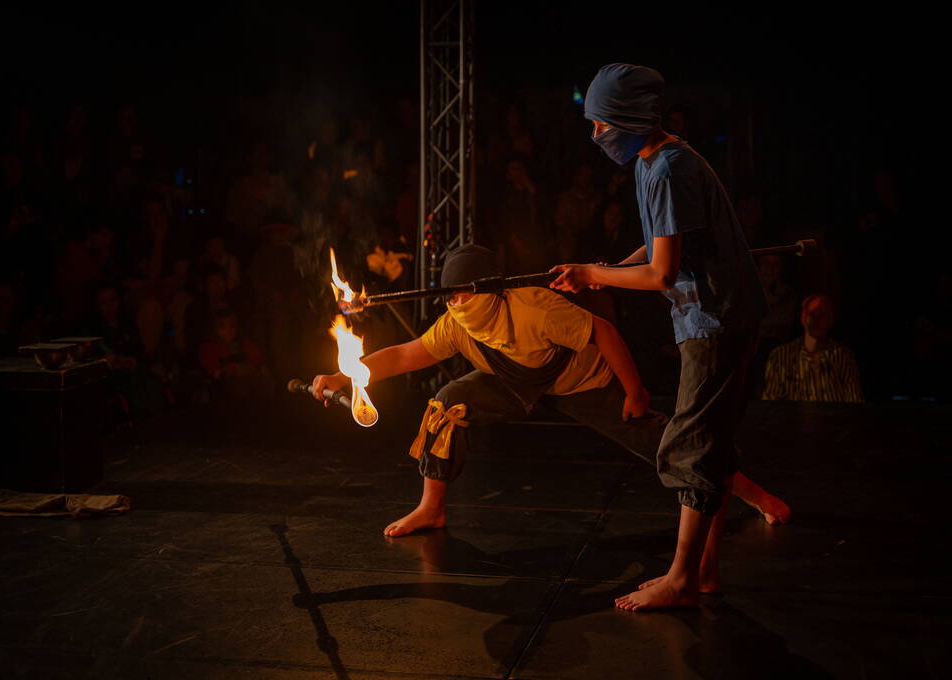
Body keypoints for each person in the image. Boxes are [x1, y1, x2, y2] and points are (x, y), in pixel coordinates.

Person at [313, 245, 788, 541]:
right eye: (450, 295)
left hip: (580, 382)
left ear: (489, 290)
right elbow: (403, 356)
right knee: (447, 403)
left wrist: (635, 391)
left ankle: (755, 495)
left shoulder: (534, 308)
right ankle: (431, 508)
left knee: (665, 443)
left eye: (462, 293)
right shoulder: (456, 324)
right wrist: (343, 375)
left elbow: (603, 331)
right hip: (511, 384)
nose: (455, 302)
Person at [550, 64, 770, 611]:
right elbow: (658, 249)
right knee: (711, 446)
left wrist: (596, 274)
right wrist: (603, 270)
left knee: (690, 445)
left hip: (715, 320)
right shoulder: (656, 162)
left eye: (601, 124)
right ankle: (703, 573)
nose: (595, 135)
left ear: (627, 118)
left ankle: (681, 579)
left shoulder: (669, 168)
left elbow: (663, 274)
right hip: (715, 316)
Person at [762, 294, 864, 403]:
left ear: (830, 320)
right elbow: (770, 402)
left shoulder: (843, 356)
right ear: (803, 317)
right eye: (812, 314)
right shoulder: (780, 356)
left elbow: (854, 401)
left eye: (822, 315)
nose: (816, 320)